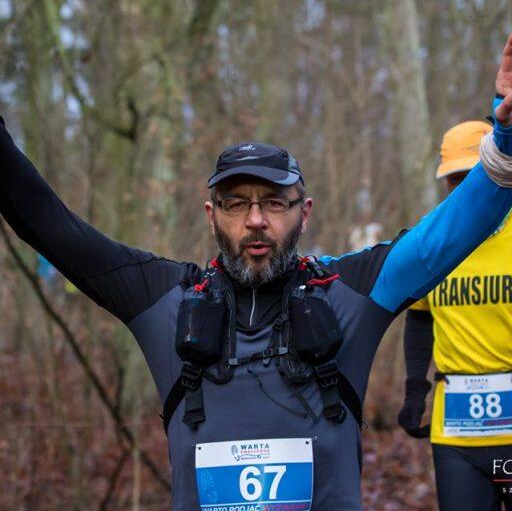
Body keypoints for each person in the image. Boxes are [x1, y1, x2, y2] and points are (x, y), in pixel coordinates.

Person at [3, 35, 512, 511]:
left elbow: (451, 232)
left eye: (273, 202)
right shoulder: (165, 302)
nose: (254, 220)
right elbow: (50, 226)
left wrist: (505, 134)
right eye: (235, 203)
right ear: (211, 215)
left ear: (304, 213)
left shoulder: (349, 295)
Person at [398, 119, 512, 511]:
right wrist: (415, 390)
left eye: (474, 176)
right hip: (456, 436)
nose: (464, 188)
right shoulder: (433, 241)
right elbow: (420, 318)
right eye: (455, 179)